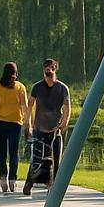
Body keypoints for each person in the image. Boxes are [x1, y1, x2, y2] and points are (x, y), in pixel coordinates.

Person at [23, 58, 71, 196]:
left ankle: (54, 189)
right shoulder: (37, 87)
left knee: (57, 160)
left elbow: (67, 107)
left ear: (55, 69)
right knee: (36, 160)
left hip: (55, 131)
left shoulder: (62, 88)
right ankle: (28, 185)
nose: (48, 72)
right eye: (45, 69)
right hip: (39, 129)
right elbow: (30, 105)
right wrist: (29, 124)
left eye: (50, 69)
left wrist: (65, 123)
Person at [0, 62, 30, 194]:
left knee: (2, 153)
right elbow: (25, 107)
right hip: (15, 123)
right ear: (15, 74)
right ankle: (12, 180)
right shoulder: (20, 87)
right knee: (14, 152)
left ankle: (3, 177)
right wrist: (28, 124)